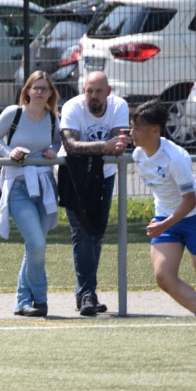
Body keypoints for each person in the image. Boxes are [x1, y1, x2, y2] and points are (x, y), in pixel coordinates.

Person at [129, 99, 196, 346]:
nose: (131, 133)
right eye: (131, 127)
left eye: (137, 129)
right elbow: (162, 191)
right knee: (163, 277)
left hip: (195, 216)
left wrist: (164, 224)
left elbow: (189, 201)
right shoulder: (138, 154)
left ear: (155, 130)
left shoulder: (175, 158)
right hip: (166, 218)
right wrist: (162, 219)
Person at [0, 71, 62, 317]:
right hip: (18, 186)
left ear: (50, 93)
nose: (39, 92)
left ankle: (22, 301)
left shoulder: (53, 119)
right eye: (35, 87)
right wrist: (9, 152)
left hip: (45, 185)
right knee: (37, 243)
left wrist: (52, 151)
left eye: (44, 88)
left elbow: (56, 143)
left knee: (35, 246)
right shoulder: (14, 113)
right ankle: (39, 299)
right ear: (27, 90)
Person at [58, 70, 131, 316]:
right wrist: (104, 146)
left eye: (99, 91)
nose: (93, 95)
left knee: (97, 233)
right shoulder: (72, 107)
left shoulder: (119, 106)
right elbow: (71, 145)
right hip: (74, 175)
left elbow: (119, 145)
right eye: (89, 91)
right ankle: (87, 294)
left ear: (108, 92)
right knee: (82, 233)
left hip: (103, 175)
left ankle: (87, 293)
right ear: (83, 91)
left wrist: (106, 147)